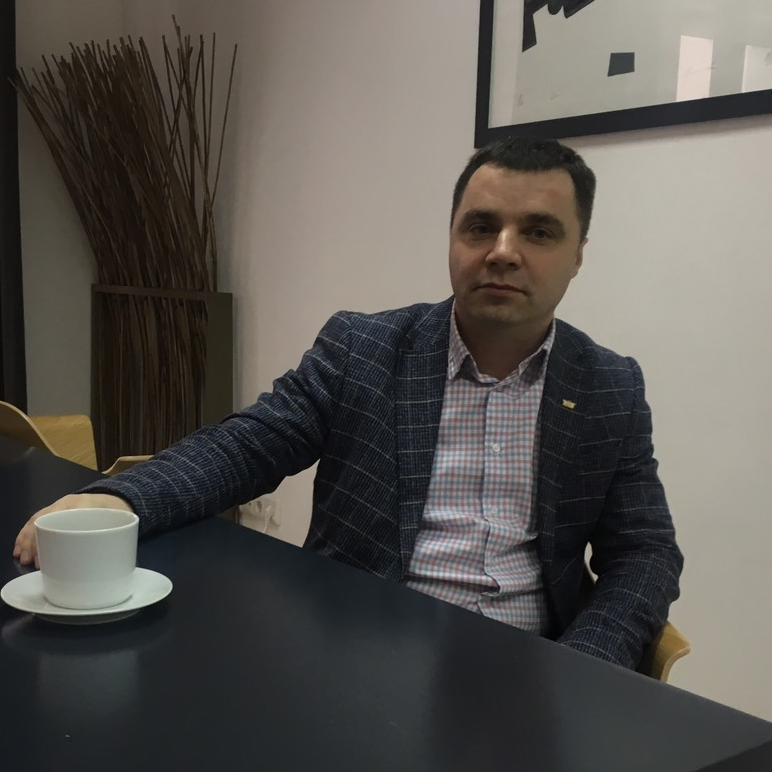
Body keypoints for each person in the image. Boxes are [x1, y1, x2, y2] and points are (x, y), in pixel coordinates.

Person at [13, 136, 682, 670]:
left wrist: (582, 667)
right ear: (452, 237)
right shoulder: (365, 349)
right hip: (364, 656)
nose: (502, 252)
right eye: (481, 227)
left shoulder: (609, 386)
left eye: (538, 232)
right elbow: (248, 445)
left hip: (533, 671)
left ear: (578, 255)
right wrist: (122, 498)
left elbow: (644, 552)